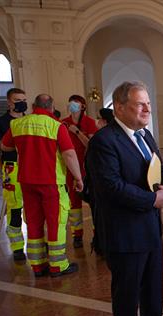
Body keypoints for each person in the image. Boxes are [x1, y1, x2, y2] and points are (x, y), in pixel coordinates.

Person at [86, 81, 163, 316]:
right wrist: (152, 200)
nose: (147, 109)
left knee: (153, 284)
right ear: (119, 107)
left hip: (151, 227)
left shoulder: (146, 136)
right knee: (127, 292)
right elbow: (110, 188)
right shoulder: (104, 141)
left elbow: (161, 168)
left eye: (148, 104)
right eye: (140, 104)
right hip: (124, 232)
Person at [1, 94, 82, 277]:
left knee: (34, 221)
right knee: (56, 222)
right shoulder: (56, 126)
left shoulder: (17, 125)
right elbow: (69, 154)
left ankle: (37, 265)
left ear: (32, 105)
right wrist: (78, 178)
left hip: (27, 183)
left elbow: (5, 147)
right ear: (52, 107)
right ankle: (58, 265)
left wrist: (25, 147)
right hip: (51, 183)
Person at [62, 95, 98, 248]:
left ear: (83, 106)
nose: (72, 105)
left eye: (76, 103)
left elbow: (92, 145)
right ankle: (77, 234)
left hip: (87, 168)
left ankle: (98, 233)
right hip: (69, 168)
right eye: (71, 102)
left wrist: (77, 131)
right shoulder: (62, 123)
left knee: (93, 201)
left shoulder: (89, 122)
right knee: (73, 203)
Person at [0, 88, 27, 261]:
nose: (21, 102)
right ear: (9, 102)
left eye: (24, 99)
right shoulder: (2, 122)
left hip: (31, 166)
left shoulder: (29, 120)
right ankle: (17, 246)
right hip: (12, 167)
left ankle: (38, 241)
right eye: (17, 100)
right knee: (15, 206)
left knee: (33, 206)